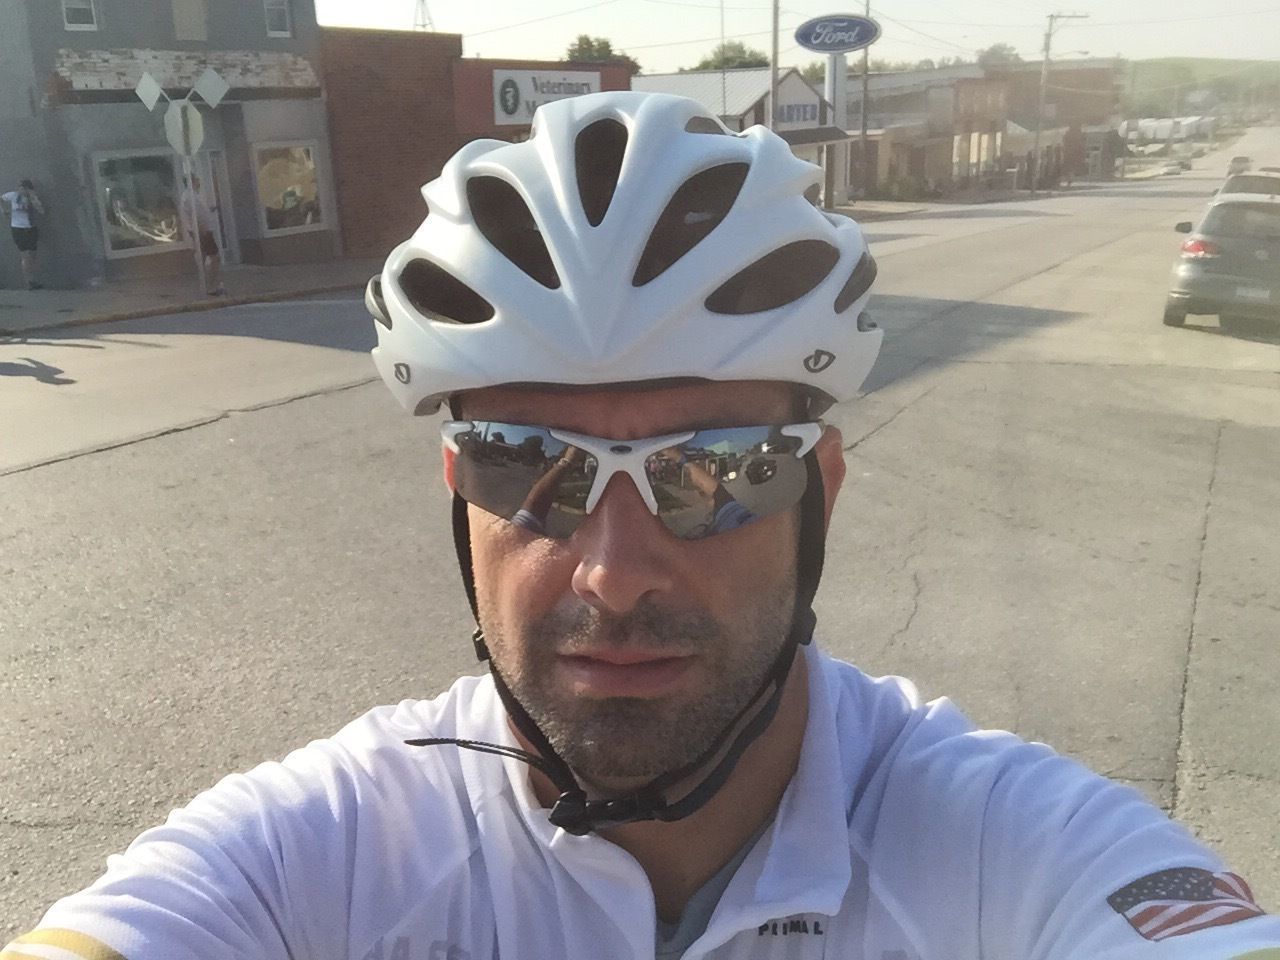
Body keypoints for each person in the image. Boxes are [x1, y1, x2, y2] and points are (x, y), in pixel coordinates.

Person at [7, 92, 1280, 960]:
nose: (614, 577)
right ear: (460, 492)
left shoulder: (1008, 844)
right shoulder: (331, 843)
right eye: (530, 467)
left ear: (820, 492)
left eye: (712, 473)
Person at [178, 174, 226, 296]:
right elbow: (196, 215)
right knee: (215, 258)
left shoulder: (192, 195)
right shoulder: (190, 196)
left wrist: (210, 210)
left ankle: (204, 285)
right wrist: (201, 229)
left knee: (202, 257)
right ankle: (210, 287)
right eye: (197, 179)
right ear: (192, 181)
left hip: (202, 231)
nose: (199, 181)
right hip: (203, 232)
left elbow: (199, 212)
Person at [2, 177, 45, 289]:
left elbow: (41, 211)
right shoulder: (13, 196)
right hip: (18, 228)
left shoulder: (32, 197)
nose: (21, 190)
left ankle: (31, 278)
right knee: (25, 255)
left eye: (24, 188)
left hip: (31, 228)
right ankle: (29, 281)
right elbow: (1, 199)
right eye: (20, 187)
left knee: (32, 255)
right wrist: (4, 211)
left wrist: (34, 199)